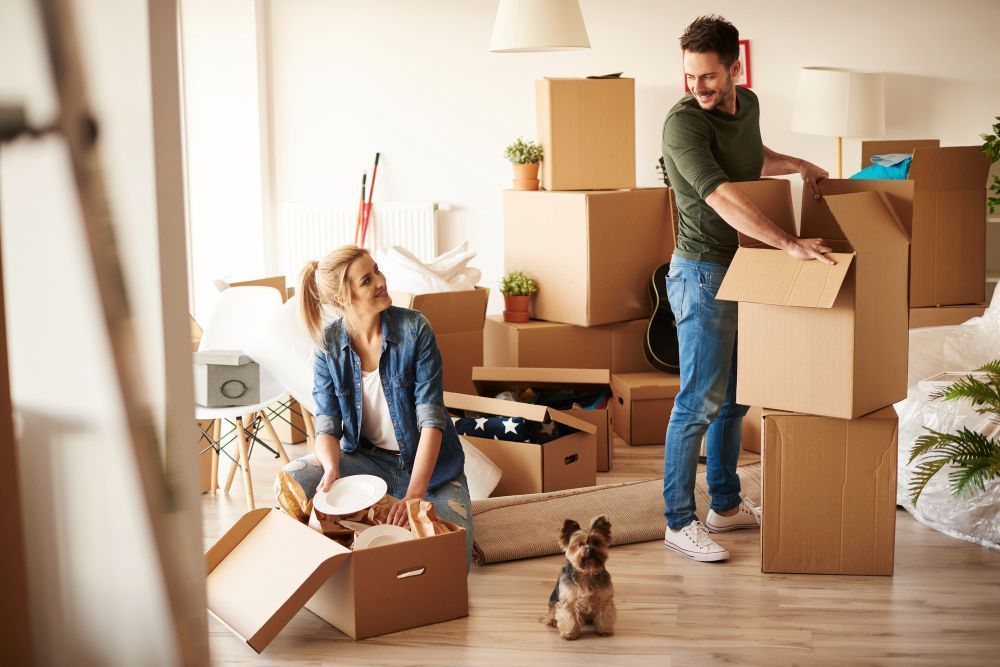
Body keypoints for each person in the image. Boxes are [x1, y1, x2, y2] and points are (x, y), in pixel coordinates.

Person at [660, 15, 834, 562]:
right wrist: (788, 243)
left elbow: (749, 159)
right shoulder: (682, 124)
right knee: (698, 402)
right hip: (702, 273)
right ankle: (678, 520)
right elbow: (721, 195)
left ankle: (725, 506)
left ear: (735, 69)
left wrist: (797, 164)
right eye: (690, 77)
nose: (697, 87)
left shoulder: (749, 104)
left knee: (735, 400)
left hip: (744, 268)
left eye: (708, 77)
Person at [276, 245, 474, 564]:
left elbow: (432, 421)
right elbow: (327, 423)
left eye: (377, 271)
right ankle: (363, 525)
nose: (381, 281)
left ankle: (379, 516)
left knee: (451, 559)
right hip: (368, 463)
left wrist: (414, 495)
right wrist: (331, 470)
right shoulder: (328, 346)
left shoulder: (414, 329)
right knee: (295, 477)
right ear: (343, 298)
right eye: (367, 280)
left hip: (432, 470)